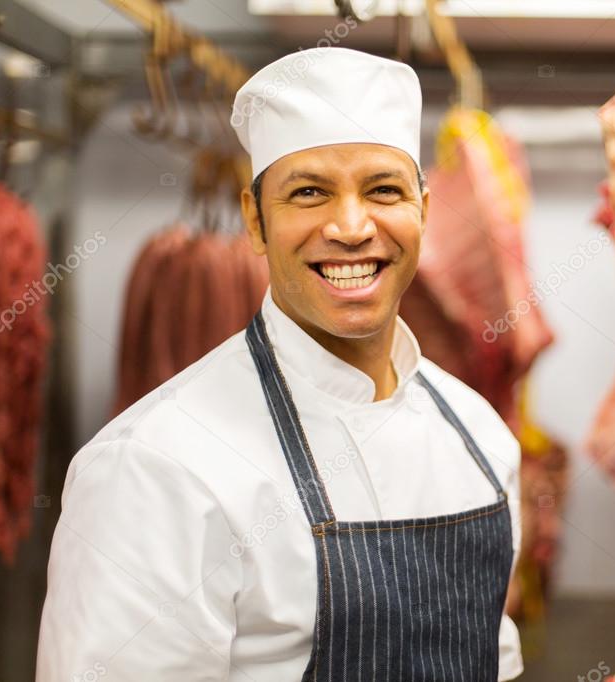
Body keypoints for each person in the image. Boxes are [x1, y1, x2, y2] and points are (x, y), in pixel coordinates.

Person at [37, 47, 523, 681]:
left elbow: (497, 662)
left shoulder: (477, 431)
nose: (351, 226)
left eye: (383, 189)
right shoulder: (154, 468)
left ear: (424, 212)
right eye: (309, 192)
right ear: (256, 221)